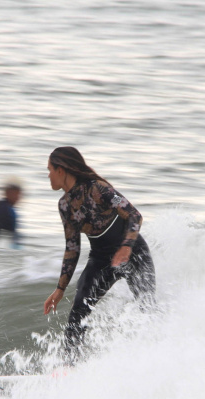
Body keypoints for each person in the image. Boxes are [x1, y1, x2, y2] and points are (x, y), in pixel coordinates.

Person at [42, 146, 156, 359]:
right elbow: (72, 248)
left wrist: (125, 247)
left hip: (134, 252)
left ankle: (160, 352)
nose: (48, 175)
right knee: (79, 310)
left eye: (49, 170)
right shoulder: (65, 205)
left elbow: (134, 215)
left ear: (61, 170)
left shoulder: (98, 189)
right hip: (101, 258)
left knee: (147, 307)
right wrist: (59, 289)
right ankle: (70, 366)